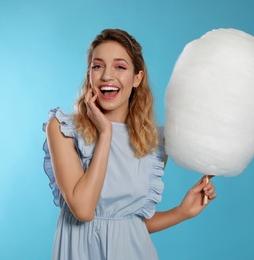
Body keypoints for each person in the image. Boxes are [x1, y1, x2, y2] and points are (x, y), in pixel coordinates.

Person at [42, 28, 217, 260]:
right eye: (97, 66)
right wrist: (105, 133)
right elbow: (83, 210)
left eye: (120, 67)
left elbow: (129, 225)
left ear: (137, 78)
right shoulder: (63, 129)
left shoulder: (152, 142)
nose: (106, 76)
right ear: (89, 76)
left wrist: (182, 212)